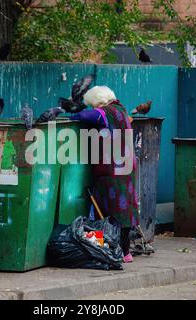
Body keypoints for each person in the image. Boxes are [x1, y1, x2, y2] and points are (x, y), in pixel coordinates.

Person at [70, 86, 139, 263]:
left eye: (93, 105)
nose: (93, 109)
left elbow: (84, 116)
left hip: (112, 172)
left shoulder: (105, 112)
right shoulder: (121, 110)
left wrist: (72, 117)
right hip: (126, 170)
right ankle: (125, 252)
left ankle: (109, 248)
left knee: (107, 212)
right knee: (123, 212)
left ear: (98, 102)